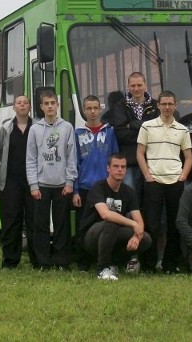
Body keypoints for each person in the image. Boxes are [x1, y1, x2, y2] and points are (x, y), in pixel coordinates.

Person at [137, 90, 192, 274]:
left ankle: (170, 265)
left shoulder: (182, 130)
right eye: (164, 104)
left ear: (175, 106)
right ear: (158, 106)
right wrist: (147, 176)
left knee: (174, 226)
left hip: (175, 182)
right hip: (153, 182)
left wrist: (182, 176)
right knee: (151, 225)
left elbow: (188, 157)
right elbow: (139, 153)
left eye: (170, 104)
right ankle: (148, 266)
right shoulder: (147, 126)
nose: (167, 107)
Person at [78, 154, 152, 280]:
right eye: (116, 166)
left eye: (123, 167)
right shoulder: (98, 187)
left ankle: (115, 263)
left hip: (113, 234)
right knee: (111, 222)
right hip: (91, 237)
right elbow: (105, 214)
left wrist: (136, 236)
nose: (120, 170)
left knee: (145, 239)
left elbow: (139, 221)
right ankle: (102, 269)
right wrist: (133, 224)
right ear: (108, 169)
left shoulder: (129, 192)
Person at [26, 90, 77, 271]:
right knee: (40, 225)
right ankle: (43, 262)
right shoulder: (35, 129)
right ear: (41, 107)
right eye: (46, 103)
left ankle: (62, 261)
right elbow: (31, 158)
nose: (49, 106)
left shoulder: (67, 128)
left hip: (62, 185)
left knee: (62, 224)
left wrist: (70, 181)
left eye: (52, 103)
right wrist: (33, 184)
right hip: (41, 185)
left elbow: (71, 156)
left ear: (57, 105)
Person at [74, 95, 120, 270]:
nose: (92, 112)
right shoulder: (77, 133)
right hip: (85, 188)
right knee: (83, 226)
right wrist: (76, 190)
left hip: (105, 188)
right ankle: (83, 262)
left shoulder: (110, 132)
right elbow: (74, 163)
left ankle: (108, 260)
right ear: (84, 110)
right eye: (88, 108)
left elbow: (115, 160)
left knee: (110, 224)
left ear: (100, 109)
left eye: (95, 108)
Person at [0, 95, 36, 269]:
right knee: (11, 221)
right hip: (10, 181)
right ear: (14, 107)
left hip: (33, 181)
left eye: (25, 103)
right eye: (19, 103)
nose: (22, 105)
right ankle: (10, 261)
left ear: (30, 107)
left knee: (34, 221)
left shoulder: (38, 127)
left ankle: (38, 260)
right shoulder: (6, 128)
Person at [106, 72, 159, 201]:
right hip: (129, 162)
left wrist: (132, 125)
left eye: (139, 85)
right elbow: (121, 134)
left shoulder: (156, 105)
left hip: (152, 161)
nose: (136, 89)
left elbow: (157, 133)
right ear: (128, 87)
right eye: (133, 85)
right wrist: (145, 131)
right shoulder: (120, 106)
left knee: (152, 200)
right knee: (130, 199)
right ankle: (131, 222)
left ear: (145, 85)